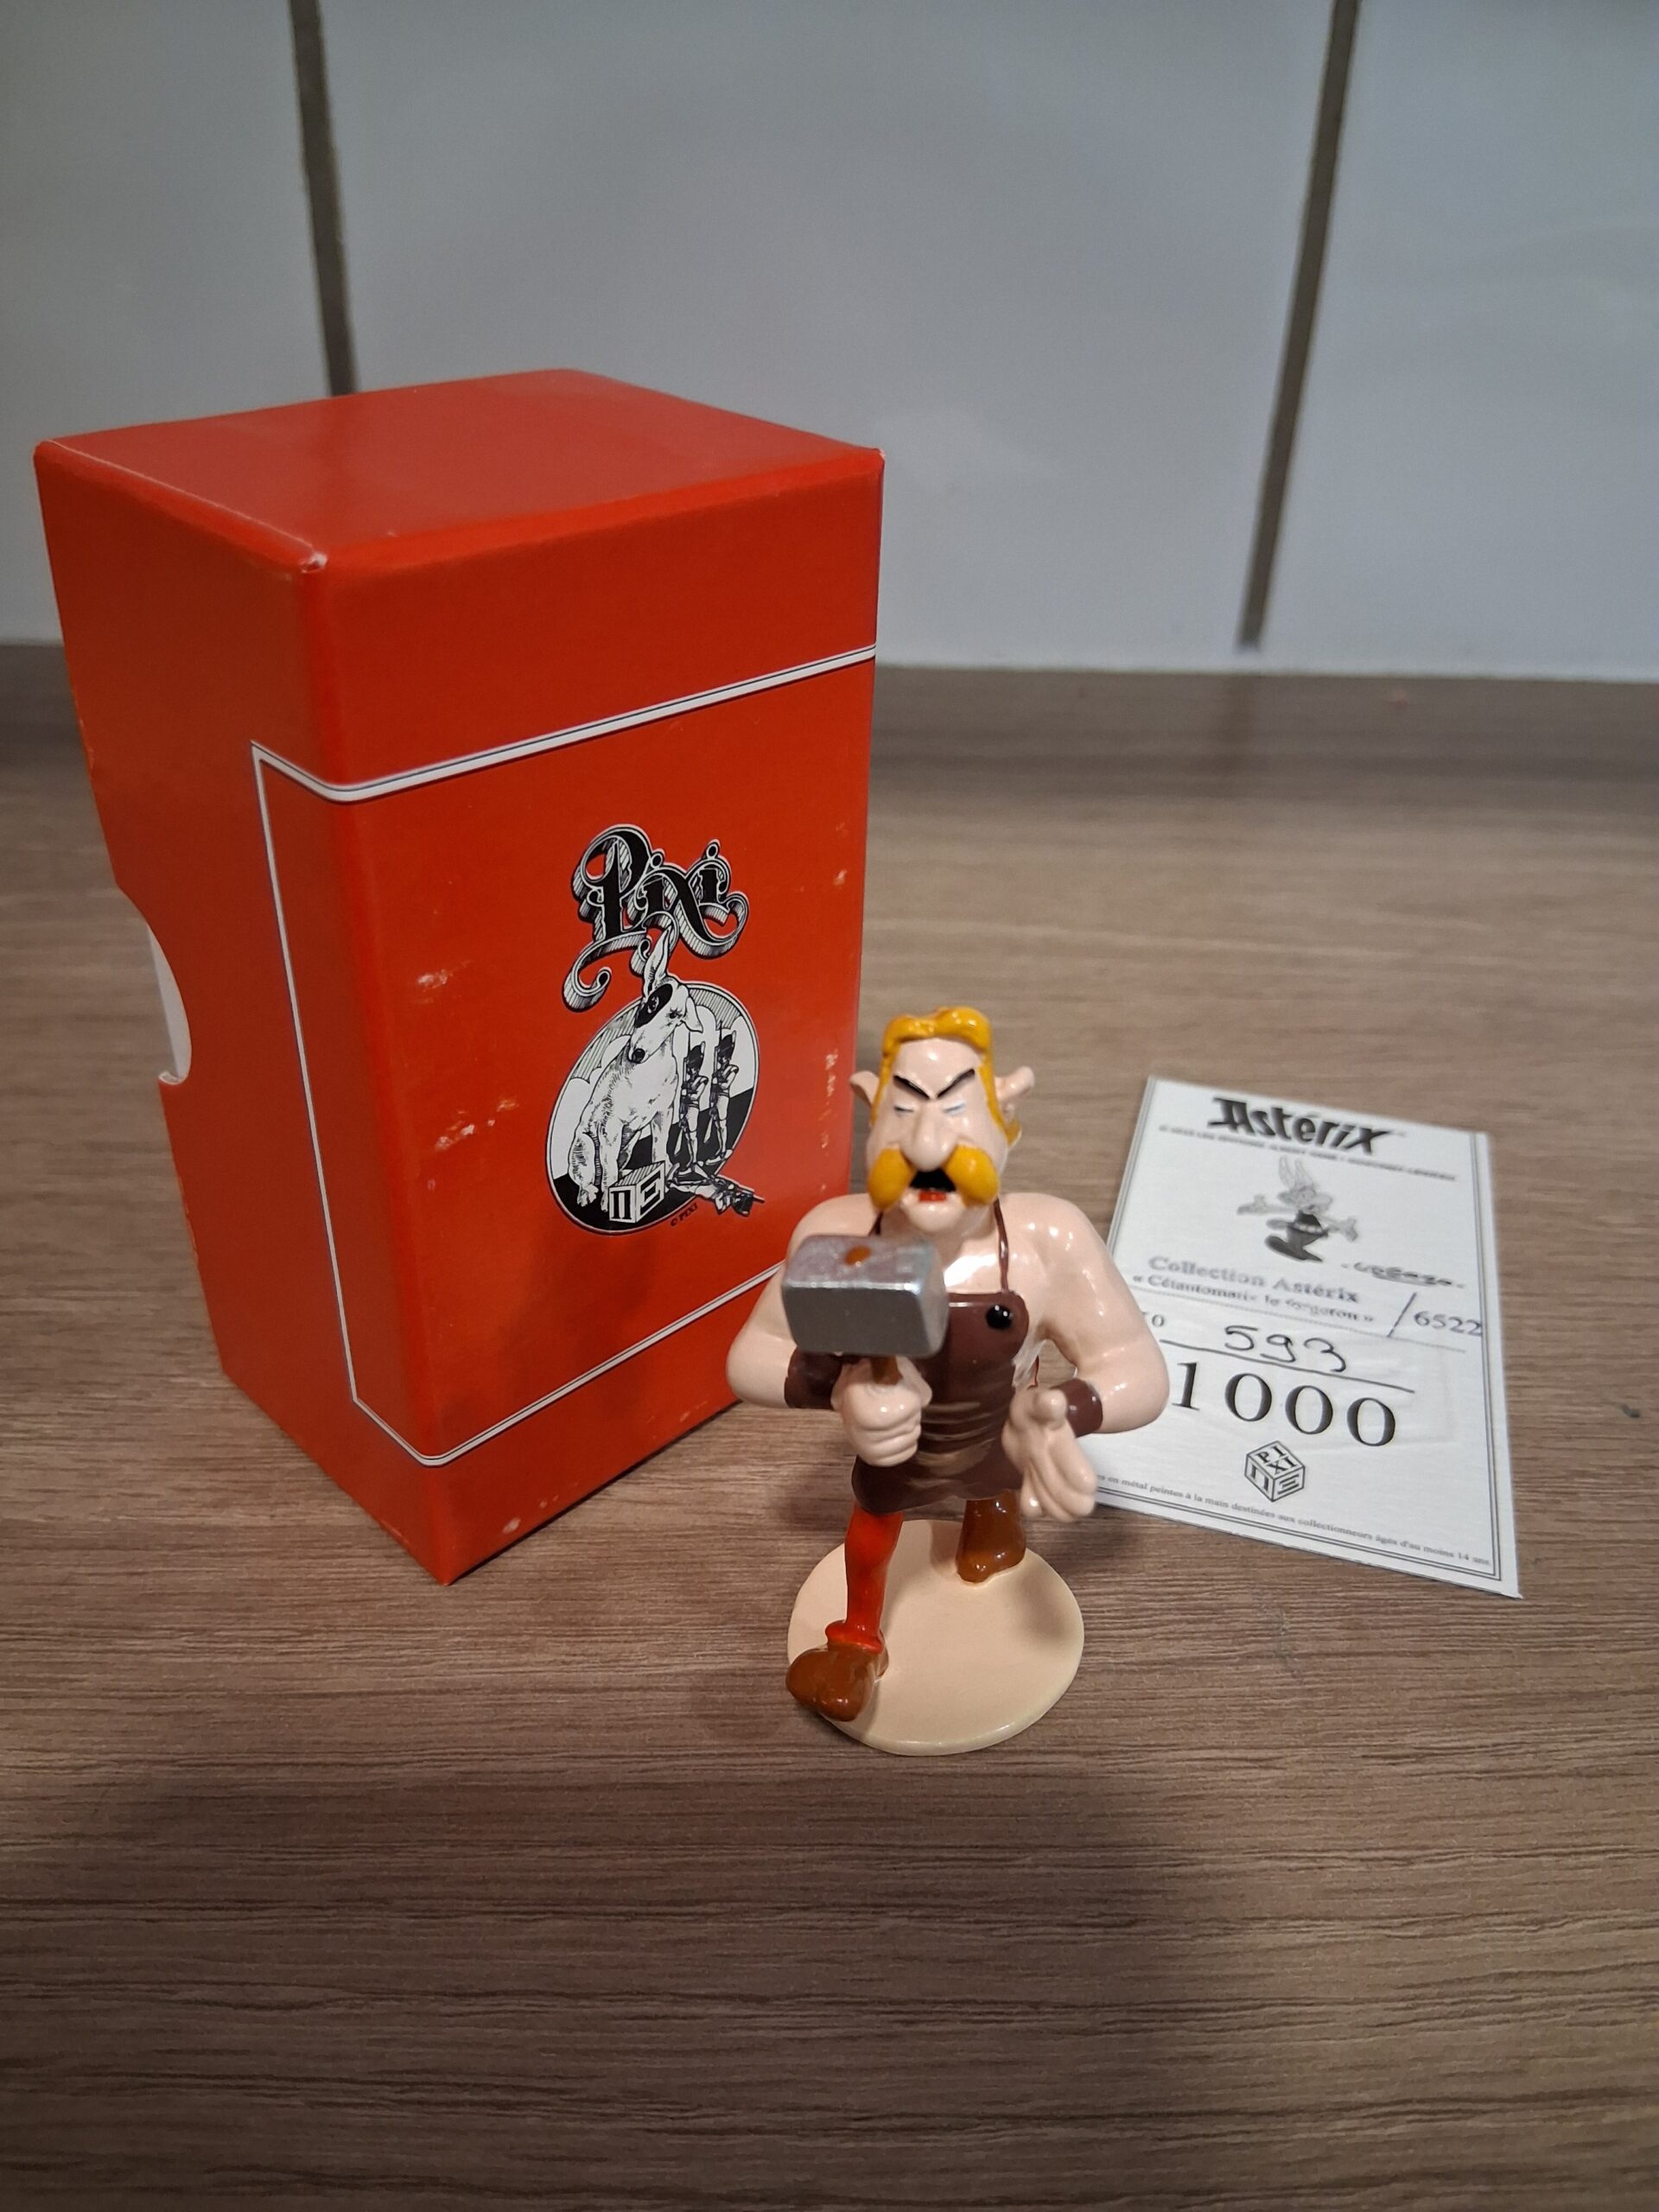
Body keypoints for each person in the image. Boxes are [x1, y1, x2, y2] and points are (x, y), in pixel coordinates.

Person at [727, 1006, 1168, 1721]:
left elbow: (1137, 1369)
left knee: (994, 1487)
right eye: (904, 1111)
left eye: (956, 1110)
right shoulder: (839, 1236)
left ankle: (991, 1527)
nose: (928, 1144)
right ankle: (857, 1640)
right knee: (873, 1527)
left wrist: (1066, 1409)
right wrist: (837, 1388)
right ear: (872, 1112)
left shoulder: (1049, 1240)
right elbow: (751, 1357)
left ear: (1006, 1119)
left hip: (1000, 1439)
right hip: (896, 1450)